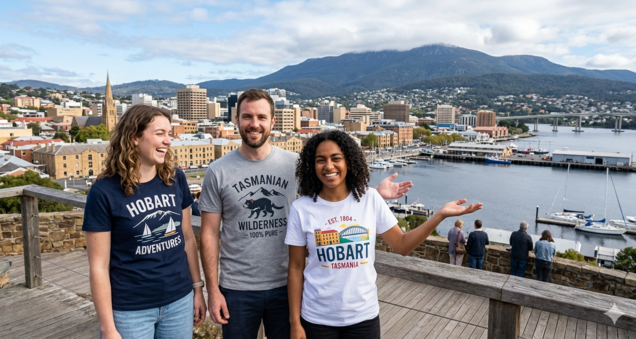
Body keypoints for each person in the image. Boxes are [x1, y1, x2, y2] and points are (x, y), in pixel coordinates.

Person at [199, 89, 413, 339]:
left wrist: (372, 192)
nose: (254, 124)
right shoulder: (217, 171)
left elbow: (329, 193)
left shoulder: (295, 164)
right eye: (247, 117)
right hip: (238, 289)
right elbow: (209, 233)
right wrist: (212, 290)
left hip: (287, 286)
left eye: (261, 117)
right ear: (236, 120)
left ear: (272, 122)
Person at [286, 131, 482, 339]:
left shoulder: (370, 198)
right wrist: (295, 323)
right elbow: (296, 268)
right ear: (311, 165)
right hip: (317, 318)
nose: (328, 166)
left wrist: (440, 215)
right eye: (320, 160)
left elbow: (402, 245)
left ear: (349, 162)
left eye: (336, 158)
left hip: (363, 317)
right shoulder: (301, 208)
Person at [83, 104, 206, 339]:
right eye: (159, 134)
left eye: (169, 134)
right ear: (134, 138)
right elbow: (98, 266)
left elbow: (188, 238)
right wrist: (108, 328)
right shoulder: (104, 192)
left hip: (179, 301)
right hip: (130, 310)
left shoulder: (176, 178)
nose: (168, 141)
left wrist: (197, 290)